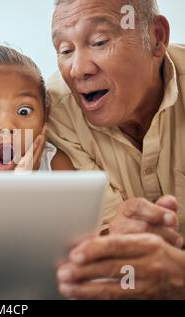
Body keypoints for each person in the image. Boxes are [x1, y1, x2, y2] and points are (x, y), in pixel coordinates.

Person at [47, 0, 185, 299]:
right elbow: (106, 247)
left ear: (157, 38)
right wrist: (113, 238)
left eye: (98, 42)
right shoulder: (57, 110)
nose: (78, 70)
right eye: (65, 50)